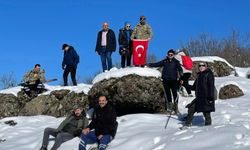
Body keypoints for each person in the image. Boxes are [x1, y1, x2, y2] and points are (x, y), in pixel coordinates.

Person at [181, 62, 215, 129]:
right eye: (200, 65)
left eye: (203, 65)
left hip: (207, 97)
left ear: (206, 67)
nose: (201, 67)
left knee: (206, 113)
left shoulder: (209, 74)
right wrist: (184, 84)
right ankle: (187, 124)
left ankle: (208, 128)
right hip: (199, 98)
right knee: (191, 108)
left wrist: (210, 98)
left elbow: (211, 87)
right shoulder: (199, 76)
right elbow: (193, 87)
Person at [148, 49, 183, 114]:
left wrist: (181, 75)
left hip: (174, 80)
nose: (170, 55)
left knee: (175, 94)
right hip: (165, 80)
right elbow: (157, 64)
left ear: (173, 55)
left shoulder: (176, 62)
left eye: (171, 54)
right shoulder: (165, 61)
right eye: (169, 54)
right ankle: (170, 107)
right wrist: (149, 64)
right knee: (168, 94)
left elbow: (180, 69)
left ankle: (176, 108)